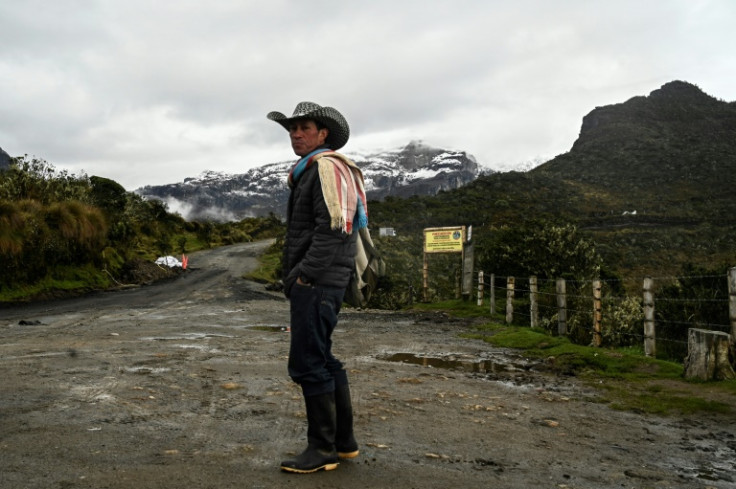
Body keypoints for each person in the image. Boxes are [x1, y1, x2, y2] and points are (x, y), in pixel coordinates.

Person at [267, 101, 367, 474]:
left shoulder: (323, 169)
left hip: (319, 281)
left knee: (308, 362)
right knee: (323, 357)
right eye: (292, 129)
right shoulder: (314, 170)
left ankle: (321, 449)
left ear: (323, 134)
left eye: (303, 127)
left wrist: (304, 275)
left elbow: (331, 228)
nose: (295, 134)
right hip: (326, 279)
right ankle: (343, 444)